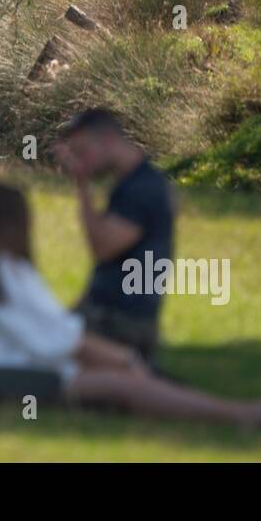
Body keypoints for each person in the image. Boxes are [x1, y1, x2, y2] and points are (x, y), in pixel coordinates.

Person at [0, 184, 261, 427]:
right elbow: (60, 341)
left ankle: (223, 409)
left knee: (113, 378)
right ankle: (238, 416)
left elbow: (28, 333)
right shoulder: (1, 272)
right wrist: (124, 360)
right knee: (119, 383)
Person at [53, 108, 174, 365]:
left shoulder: (142, 189)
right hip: (106, 315)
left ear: (107, 139)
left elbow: (103, 247)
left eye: (83, 151)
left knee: (31, 347)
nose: (81, 160)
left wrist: (82, 184)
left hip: (122, 325)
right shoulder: (130, 183)